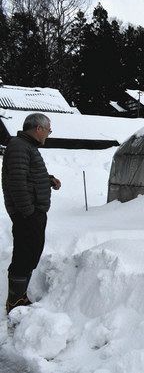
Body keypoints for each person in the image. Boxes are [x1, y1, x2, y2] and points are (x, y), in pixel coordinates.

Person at [2, 113, 61, 314]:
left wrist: (49, 179)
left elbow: (29, 175)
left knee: (30, 254)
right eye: (48, 130)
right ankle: (15, 301)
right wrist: (28, 211)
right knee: (24, 255)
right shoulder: (19, 146)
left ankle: (20, 297)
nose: (48, 134)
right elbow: (17, 182)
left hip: (33, 212)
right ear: (38, 129)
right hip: (27, 213)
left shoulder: (26, 146)